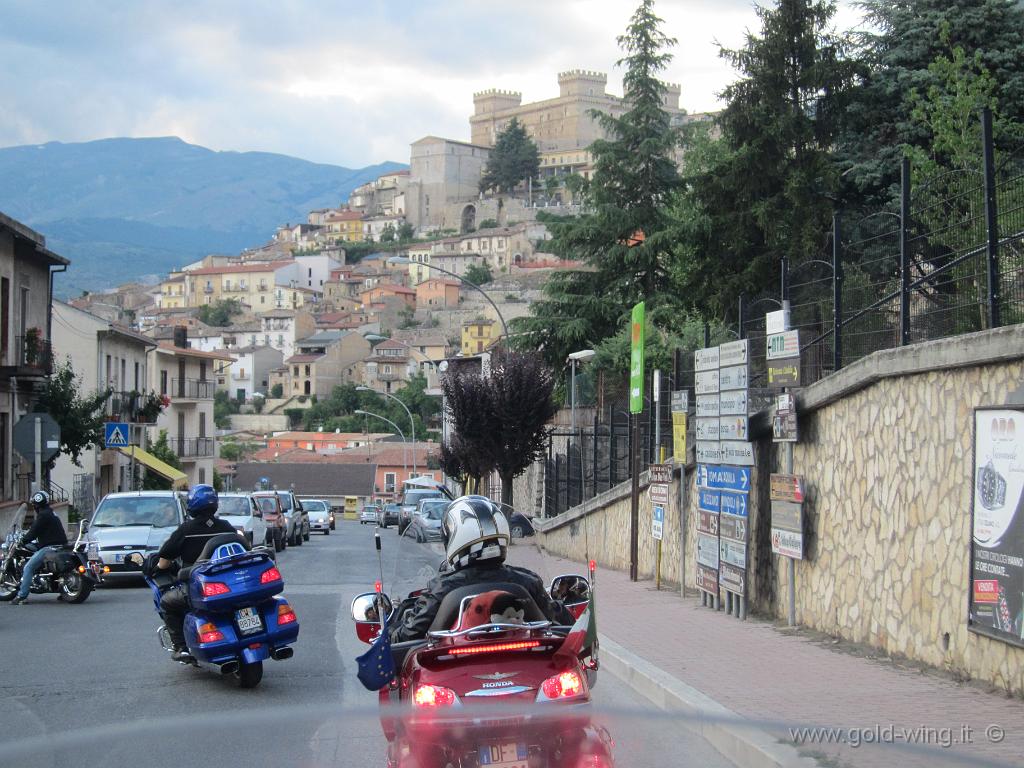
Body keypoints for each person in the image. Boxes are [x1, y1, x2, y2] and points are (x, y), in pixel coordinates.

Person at [390, 496, 573, 643]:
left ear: (454, 539)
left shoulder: (442, 588)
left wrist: (391, 633)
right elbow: (559, 622)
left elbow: (409, 635)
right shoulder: (528, 582)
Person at [155, 485, 236, 661]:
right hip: (229, 586)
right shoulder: (227, 527)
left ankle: (181, 647)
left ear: (192, 504)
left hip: (199, 587)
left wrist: (159, 567)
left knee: (167, 602)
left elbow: (164, 561)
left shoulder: (186, 530)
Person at [11, 491, 67, 605]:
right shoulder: (51, 513)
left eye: (34, 505)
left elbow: (34, 531)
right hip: (60, 545)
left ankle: (22, 596)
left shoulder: (43, 515)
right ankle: (62, 591)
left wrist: (24, 540)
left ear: (36, 504)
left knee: (28, 567)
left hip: (49, 547)